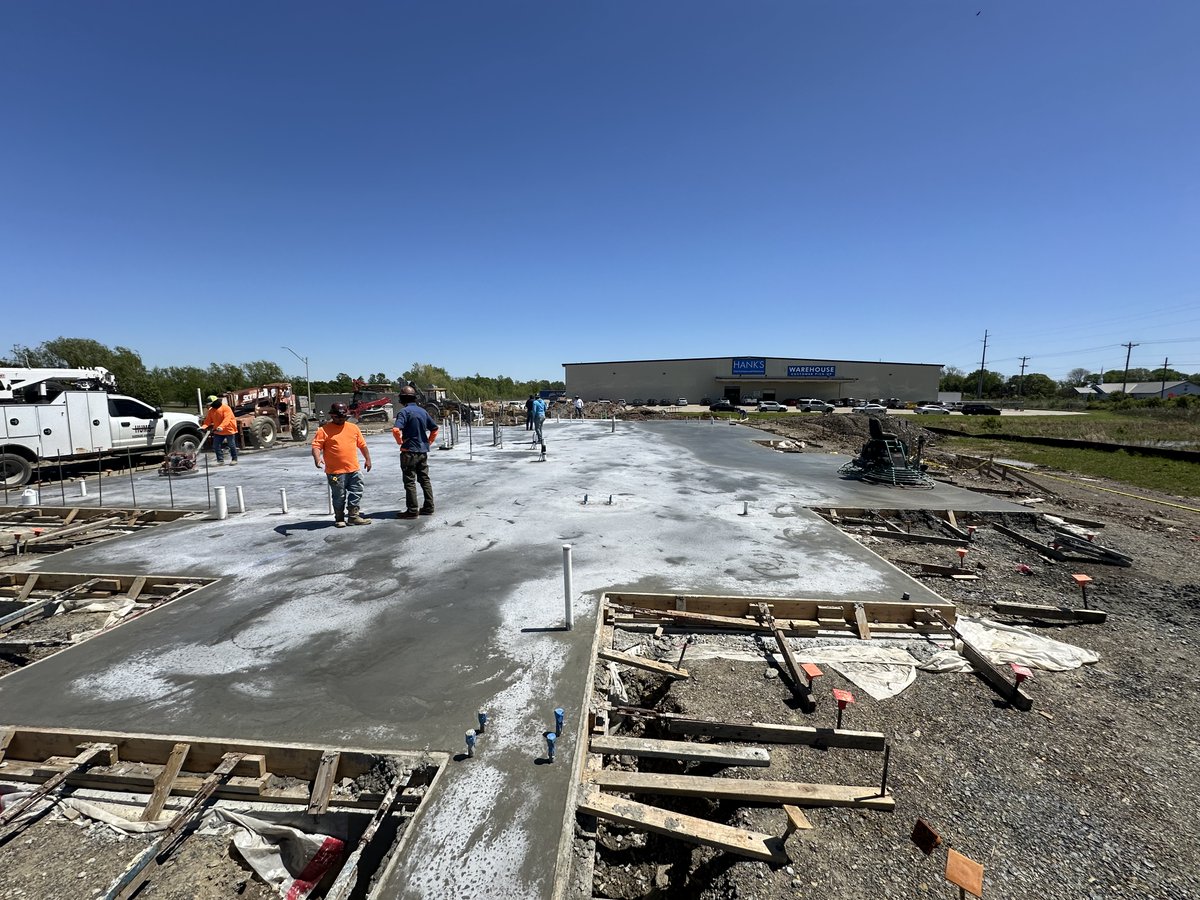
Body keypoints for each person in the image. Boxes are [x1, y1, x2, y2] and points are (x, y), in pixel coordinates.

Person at [311, 402, 372, 527]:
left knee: (357, 491)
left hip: (353, 469)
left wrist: (368, 459)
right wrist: (317, 459)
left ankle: (353, 516)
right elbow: (316, 447)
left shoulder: (353, 428)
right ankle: (339, 518)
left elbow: (362, 445)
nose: (341, 419)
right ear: (332, 416)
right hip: (335, 472)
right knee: (339, 495)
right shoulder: (324, 430)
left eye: (343, 417)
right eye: (338, 417)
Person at [392, 386, 439, 519]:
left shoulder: (404, 412)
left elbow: (396, 430)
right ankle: (429, 507)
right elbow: (434, 429)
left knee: (410, 481)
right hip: (422, 451)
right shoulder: (423, 411)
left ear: (402, 398)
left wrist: (400, 442)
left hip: (409, 452)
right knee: (424, 479)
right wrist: (428, 442)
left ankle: (412, 510)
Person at [201, 394, 239, 466]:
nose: (210, 405)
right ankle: (220, 460)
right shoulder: (211, 410)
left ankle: (234, 459)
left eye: (211, 404)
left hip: (229, 430)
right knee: (216, 445)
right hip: (218, 431)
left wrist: (221, 427)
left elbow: (227, 419)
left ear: (216, 402)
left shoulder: (226, 408)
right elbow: (208, 420)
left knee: (231, 445)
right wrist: (203, 426)